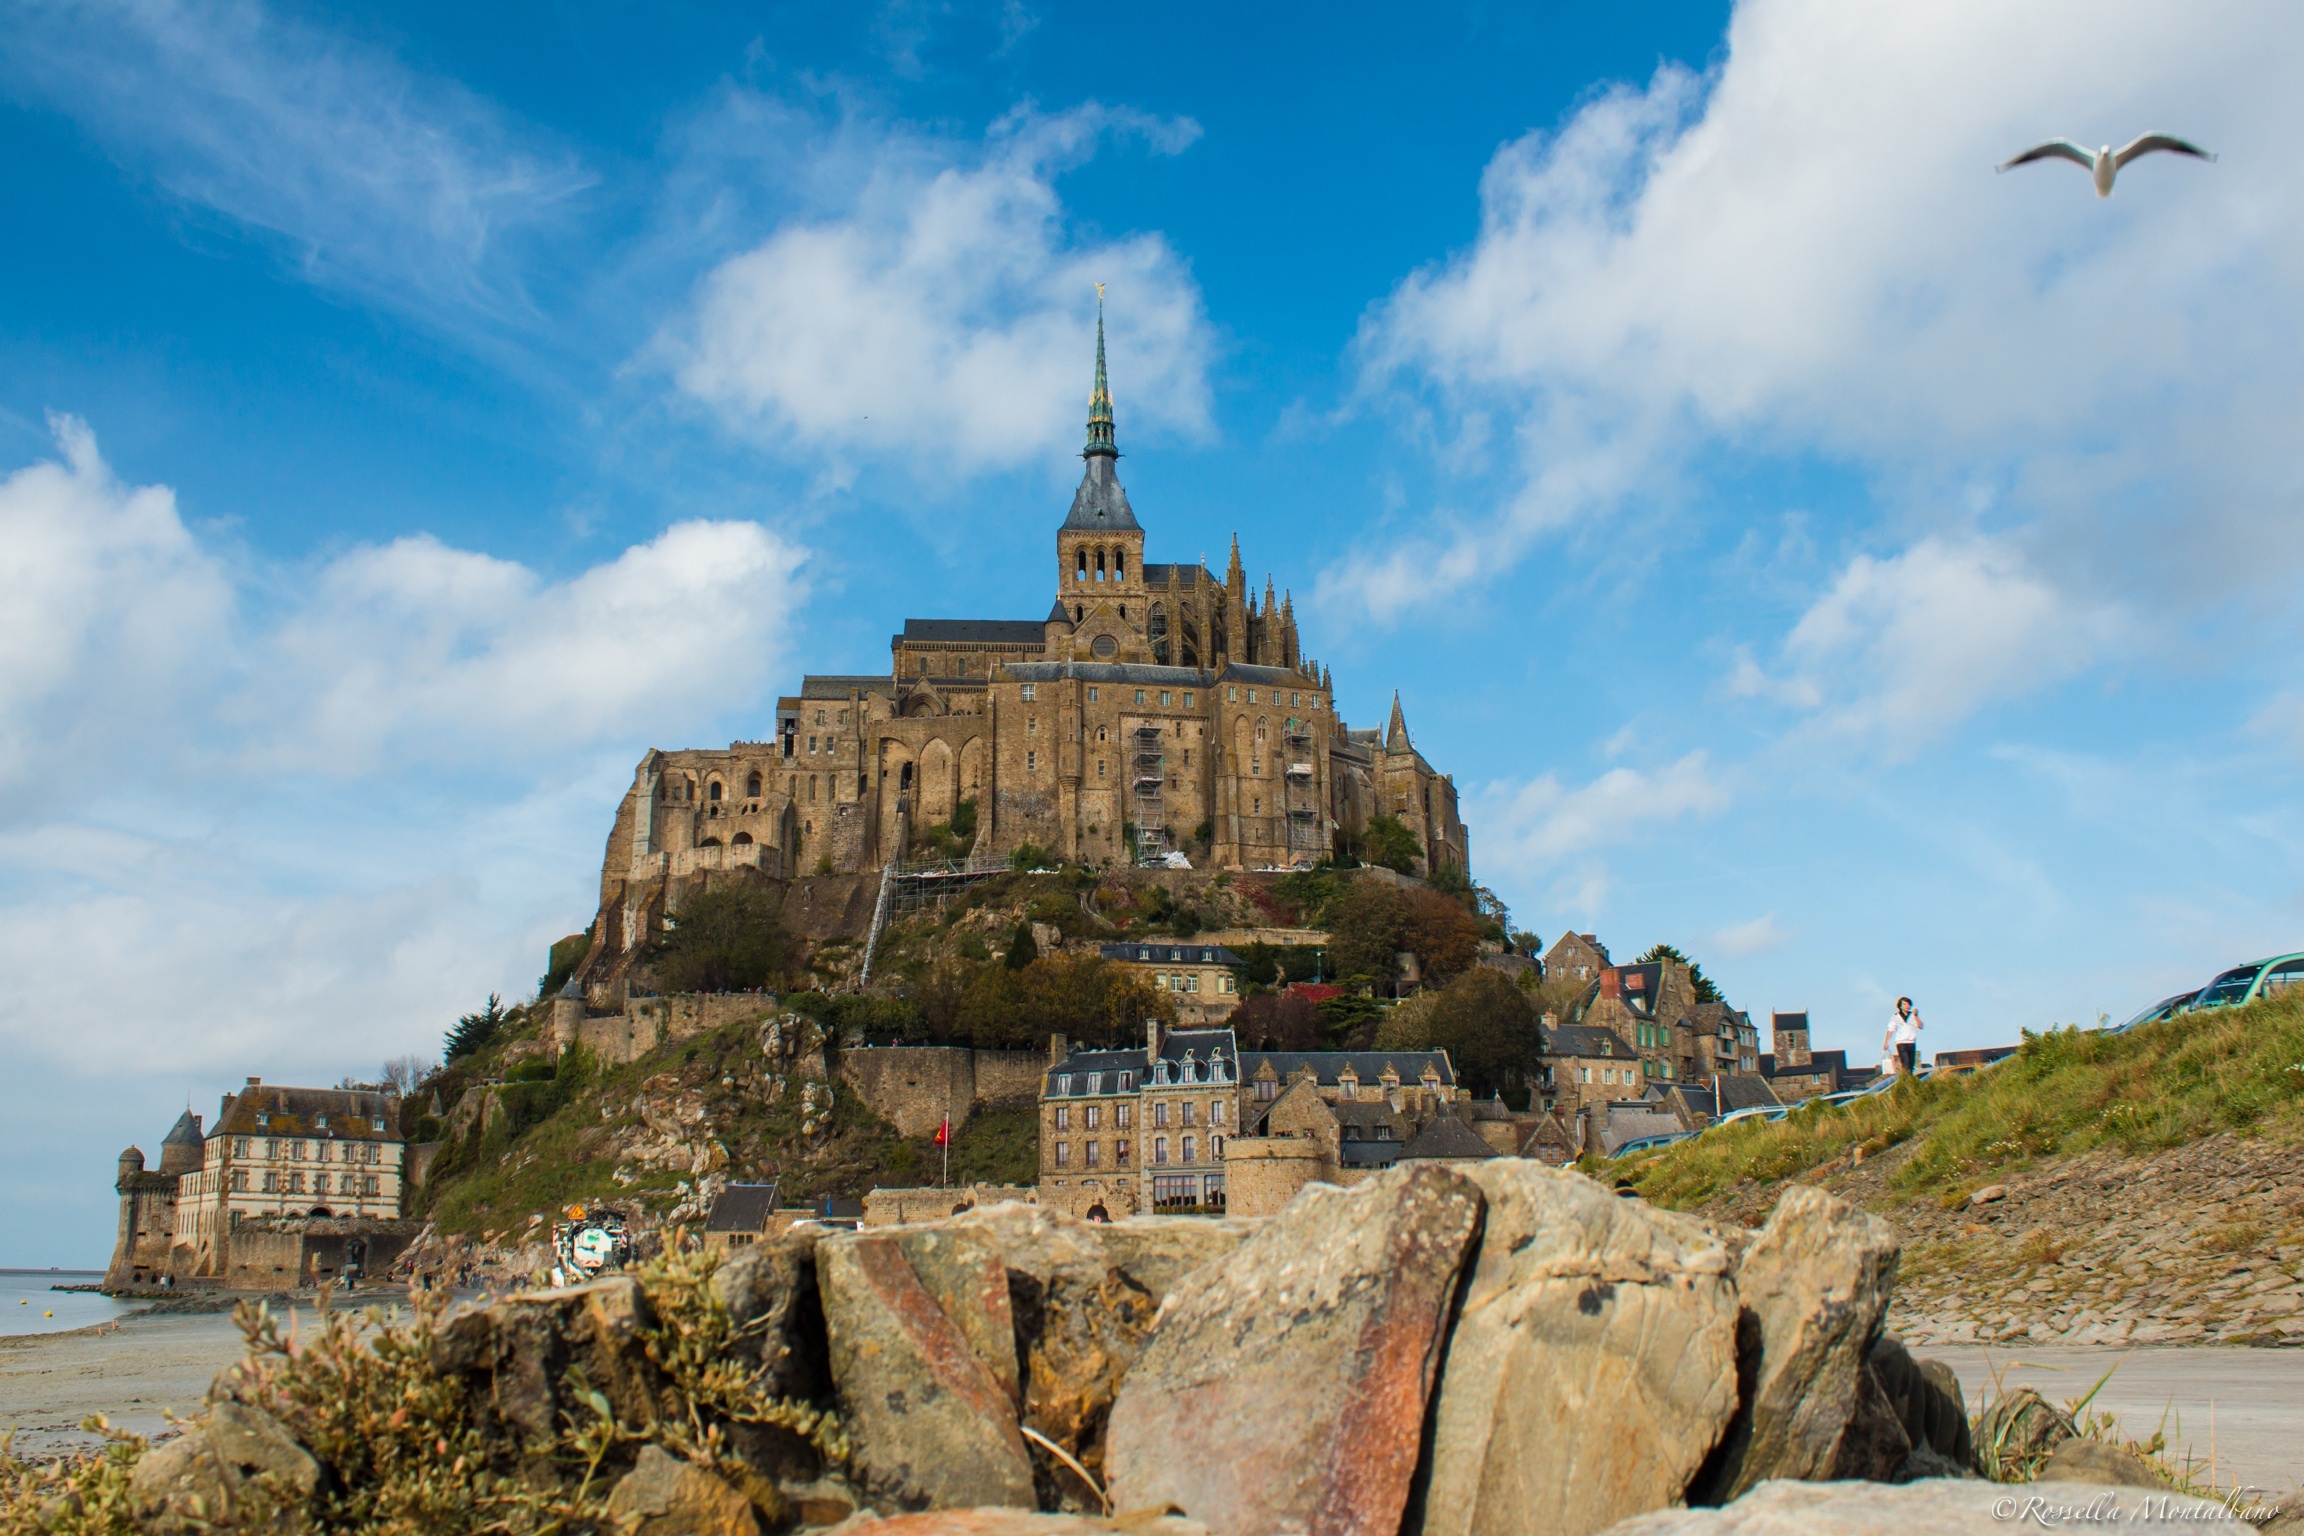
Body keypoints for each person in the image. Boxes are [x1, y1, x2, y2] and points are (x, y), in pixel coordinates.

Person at [1889, 996, 1923, 1079]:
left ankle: (1909, 1078)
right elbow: (1890, 1029)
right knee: (1905, 1062)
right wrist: (1886, 1042)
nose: (1907, 1006)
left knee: (1911, 1064)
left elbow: (1920, 1026)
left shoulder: (1912, 1016)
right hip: (1901, 1042)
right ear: (1900, 1006)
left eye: (1908, 1004)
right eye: (1904, 1004)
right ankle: (1907, 1079)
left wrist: (1916, 1016)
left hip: (1911, 1042)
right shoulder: (1895, 1017)